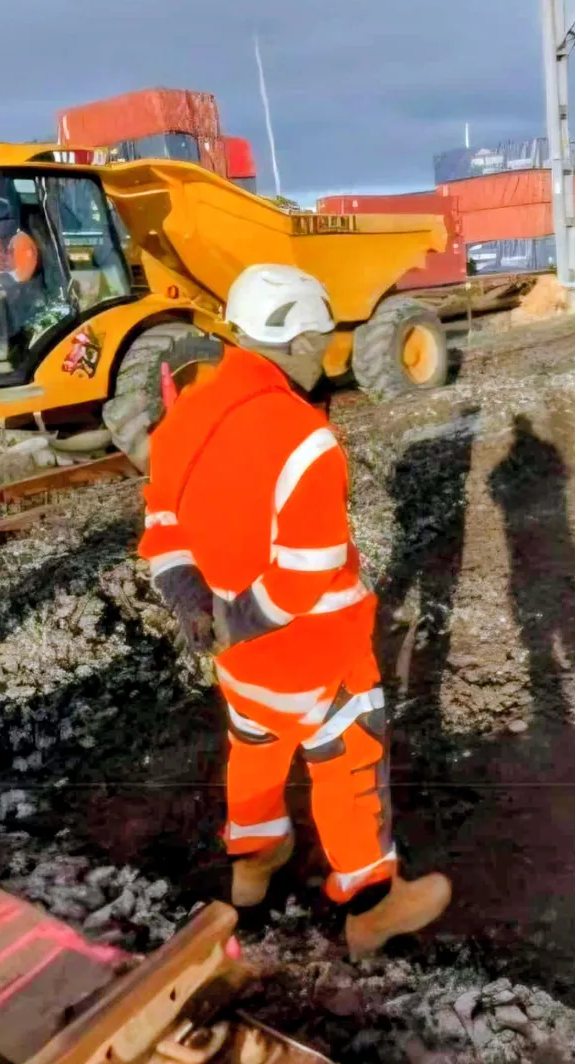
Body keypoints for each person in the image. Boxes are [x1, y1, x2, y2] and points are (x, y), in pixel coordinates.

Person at [131, 265, 451, 960]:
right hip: (315, 654)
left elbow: (162, 527)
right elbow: (306, 573)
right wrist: (244, 620)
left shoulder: (182, 416)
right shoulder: (303, 437)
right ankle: (371, 906)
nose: (323, 357)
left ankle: (254, 867)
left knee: (253, 750)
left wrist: (195, 604)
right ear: (302, 340)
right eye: (322, 342)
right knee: (348, 767)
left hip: (237, 660)